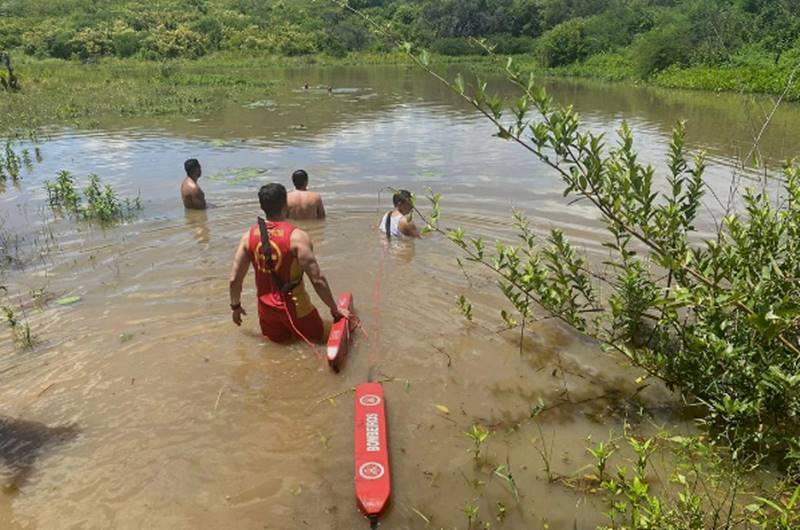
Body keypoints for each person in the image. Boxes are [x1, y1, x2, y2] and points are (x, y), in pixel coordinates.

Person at [229, 183, 351, 343]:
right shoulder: (297, 237)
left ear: (261, 206)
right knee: (319, 343)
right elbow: (318, 279)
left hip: (266, 312)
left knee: (280, 350)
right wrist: (335, 309)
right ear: (285, 204)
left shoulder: (248, 237)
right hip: (297, 310)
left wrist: (236, 307)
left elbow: (234, 279)